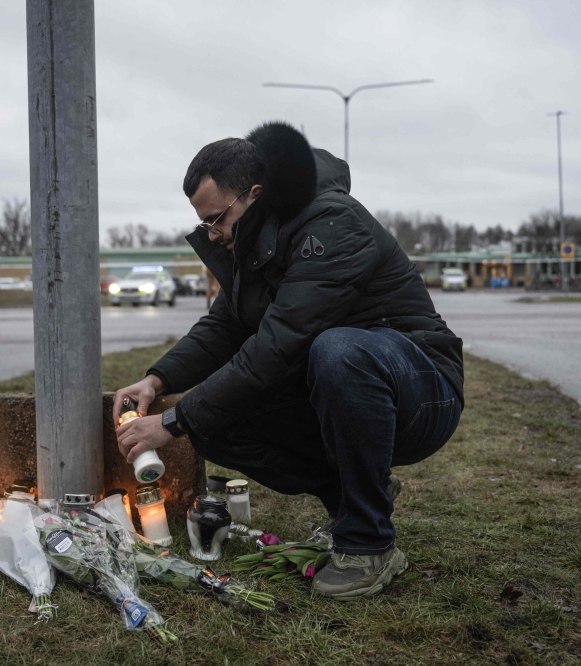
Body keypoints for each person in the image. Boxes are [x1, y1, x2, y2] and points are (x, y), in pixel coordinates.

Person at [115, 121, 463, 600]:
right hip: (347, 385)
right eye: (204, 223)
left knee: (336, 350)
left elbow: (278, 345)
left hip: (422, 388)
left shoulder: (332, 224)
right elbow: (226, 327)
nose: (212, 235)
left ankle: (370, 546)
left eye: (217, 219)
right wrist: (157, 380)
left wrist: (172, 423)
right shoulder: (254, 242)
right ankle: (353, 504)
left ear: (253, 195)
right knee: (216, 421)